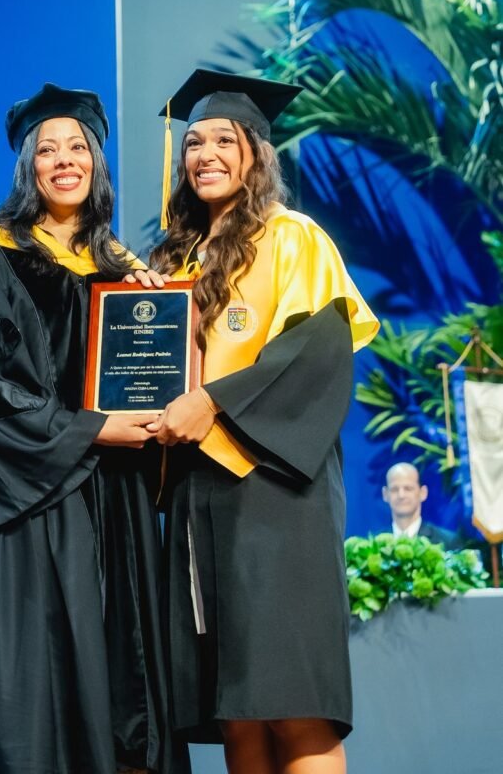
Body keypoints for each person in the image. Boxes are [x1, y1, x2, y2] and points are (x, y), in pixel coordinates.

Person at [0, 83, 188, 774]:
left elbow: (156, 380)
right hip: (26, 509)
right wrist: (93, 430)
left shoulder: (123, 271)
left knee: (123, 696)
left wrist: (159, 323)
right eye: (47, 150)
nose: (65, 161)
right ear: (27, 168)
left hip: (115, 506)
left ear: (97, 162)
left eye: (77, 148)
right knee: (33, 703)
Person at [147, 70, 379, 774]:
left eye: (224, 139)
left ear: (256, 152)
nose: (205, 154)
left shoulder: (293, 238)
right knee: (238, 714)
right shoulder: (177, 257)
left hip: (274, 490)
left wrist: (212, 403)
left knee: (295, 708)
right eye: (194, 142)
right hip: (198, 493)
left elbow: (315, 354)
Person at [382, 462, 460, 549]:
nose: (401, 495)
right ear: (385, 494)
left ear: (423, 493)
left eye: (408, 489)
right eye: (394, 489)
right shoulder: (376, 546)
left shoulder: (447, 542)